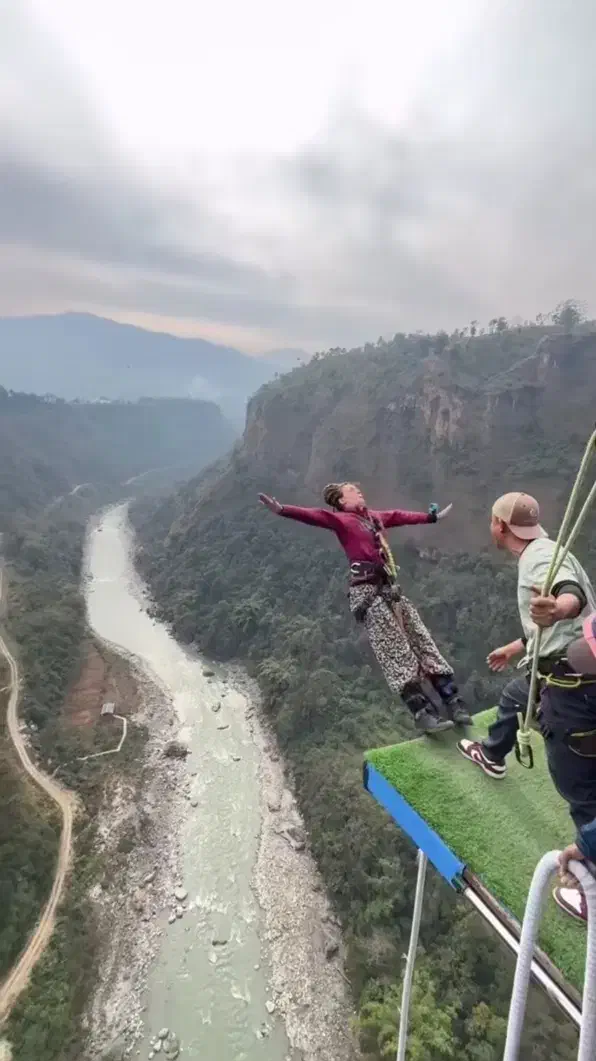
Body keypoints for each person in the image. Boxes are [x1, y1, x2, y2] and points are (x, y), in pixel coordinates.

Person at [457, 491, 596, 922]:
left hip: (571, 685)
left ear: (500, 527)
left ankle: (591, 884)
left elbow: (567, 595)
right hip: (568, 664)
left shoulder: (537, 561)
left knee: (579, 785)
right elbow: (567, 611)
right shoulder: (550, 549)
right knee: (516, 695)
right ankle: (493, 753)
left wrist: (557, 607)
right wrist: (517, 644)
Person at [259, 481, 471, 733]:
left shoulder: (374, 518)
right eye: (351, 490)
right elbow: (313, 516)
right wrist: (283, 509)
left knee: (422, 640)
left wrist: (431, 517)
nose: (359, 491)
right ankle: (423, 714)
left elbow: (399, 516)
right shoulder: (341, 520)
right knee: (395, 652)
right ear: (340, 501)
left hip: (390, 589)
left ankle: (453, 702)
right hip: (367, 593)